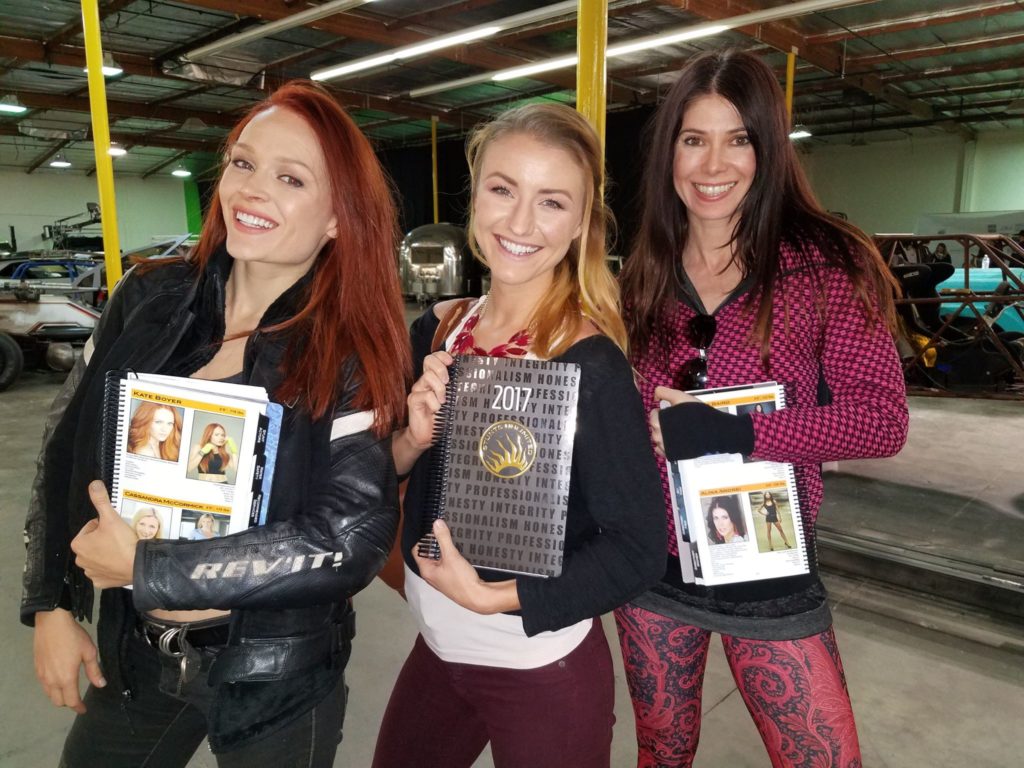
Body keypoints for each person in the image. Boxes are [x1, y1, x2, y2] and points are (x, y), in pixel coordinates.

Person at [21, 80, 410, 768]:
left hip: (274, 678)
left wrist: (150, 568)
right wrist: (52, 603)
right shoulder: (147, 296)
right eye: (243, 163)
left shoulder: (350, 350)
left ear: (337, 219)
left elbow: (349, 536)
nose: (252, 189)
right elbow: (65, 448)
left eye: (291, 178)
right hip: (137, 659)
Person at [616, 50, 908, 767]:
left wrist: (736, 432)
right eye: (694, 139)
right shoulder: (644, 270)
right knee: (662, 754)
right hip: (651, 570)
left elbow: (882, 420)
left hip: (767, 568)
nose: (713, 164)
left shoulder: (827, 264)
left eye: (738, 139)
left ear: (768, 148)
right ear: (669, 151)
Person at [372, 103, 666, 768]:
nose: (521, 223)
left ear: (581, 223)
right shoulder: (439, 332)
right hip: (436, 651)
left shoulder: (589, 364)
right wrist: (412, 440)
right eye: (503, 189)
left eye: (552, 202)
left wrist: (492, 597)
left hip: (540, 669)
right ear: (475, 195)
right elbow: (378, 472)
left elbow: (638, 549)